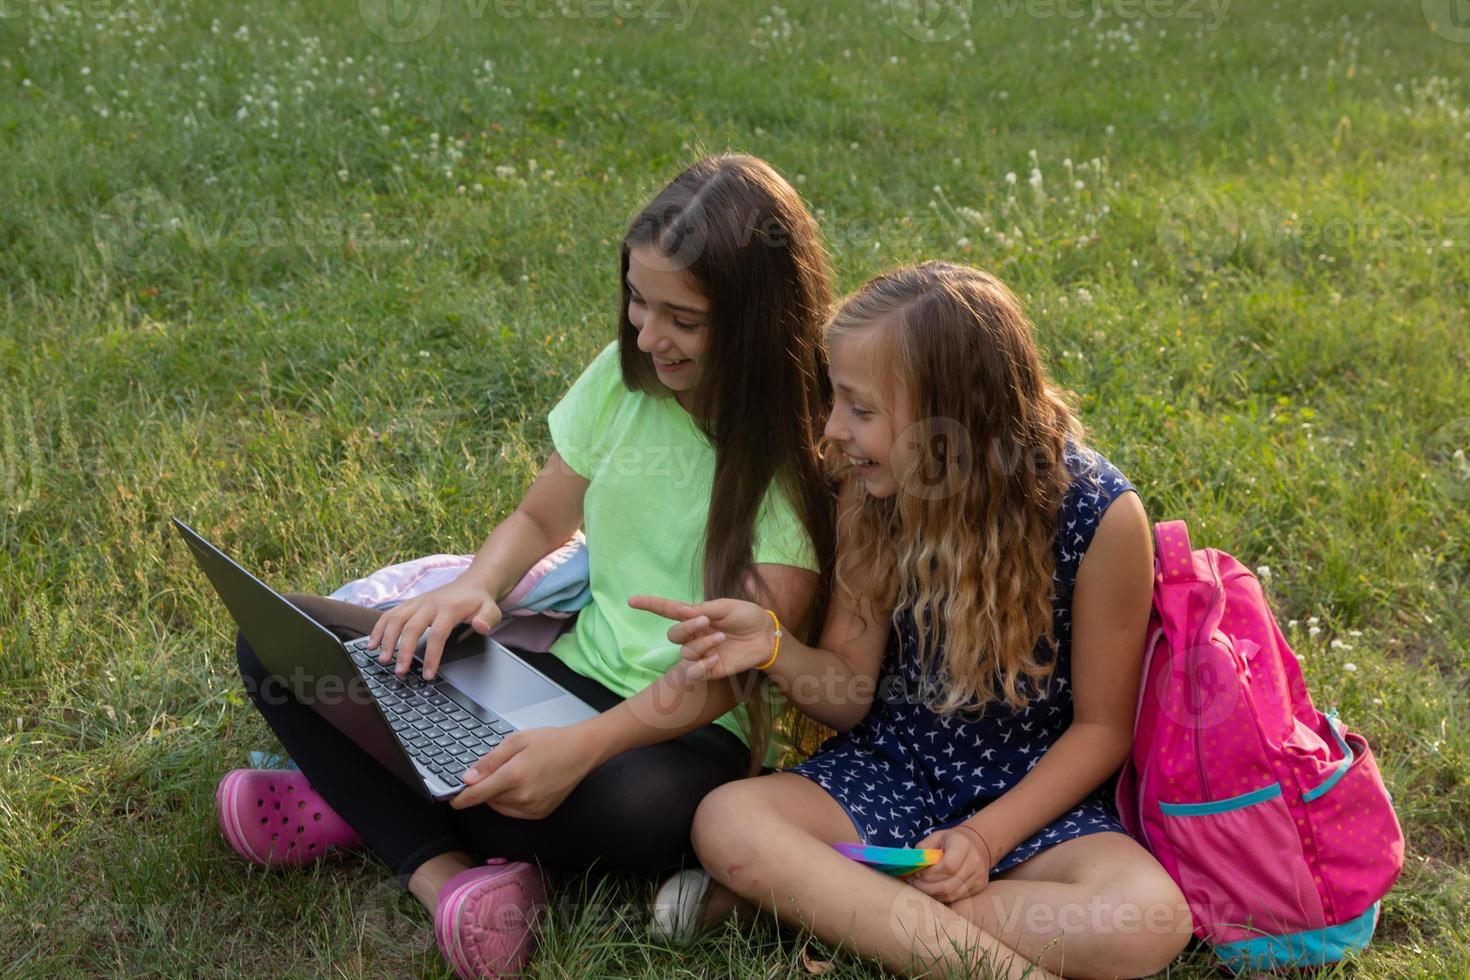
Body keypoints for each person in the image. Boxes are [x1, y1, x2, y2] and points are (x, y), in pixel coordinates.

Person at [218, 154, 837, 978]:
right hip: (553, 680)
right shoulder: (629, 382)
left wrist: (578, 752)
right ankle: (444, 878)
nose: (650, 336)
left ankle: (357, 803)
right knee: (279, 639)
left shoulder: (799, 473)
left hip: (670, 738)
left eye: (682, 318)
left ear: (757, 321)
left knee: (638, 814)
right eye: (637, 301)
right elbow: (544, 515)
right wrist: (474, 584)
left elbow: (721, 678)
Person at [634, 261, 1192, 979]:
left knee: (1146, 918)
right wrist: (774, 648)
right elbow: (846, 694)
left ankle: (827, 904)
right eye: (838, 400)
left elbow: (1100, 730)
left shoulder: (1100, 516)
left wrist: (985, 841)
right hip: (887, 773)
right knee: (727, 820)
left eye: (860, 410)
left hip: (1031, 802)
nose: (833, 429)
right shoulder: (871, 495)